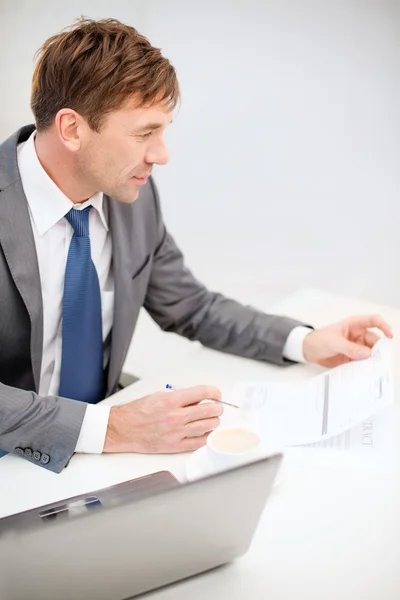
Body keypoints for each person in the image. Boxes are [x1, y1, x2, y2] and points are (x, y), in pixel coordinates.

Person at [0, 18, 392, 473]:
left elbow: (191, 306)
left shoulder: (130, 196)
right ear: (71, 129)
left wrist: (305, 342)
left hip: (93, 459)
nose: (161, 154)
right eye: (145, 133)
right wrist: (112, 428)